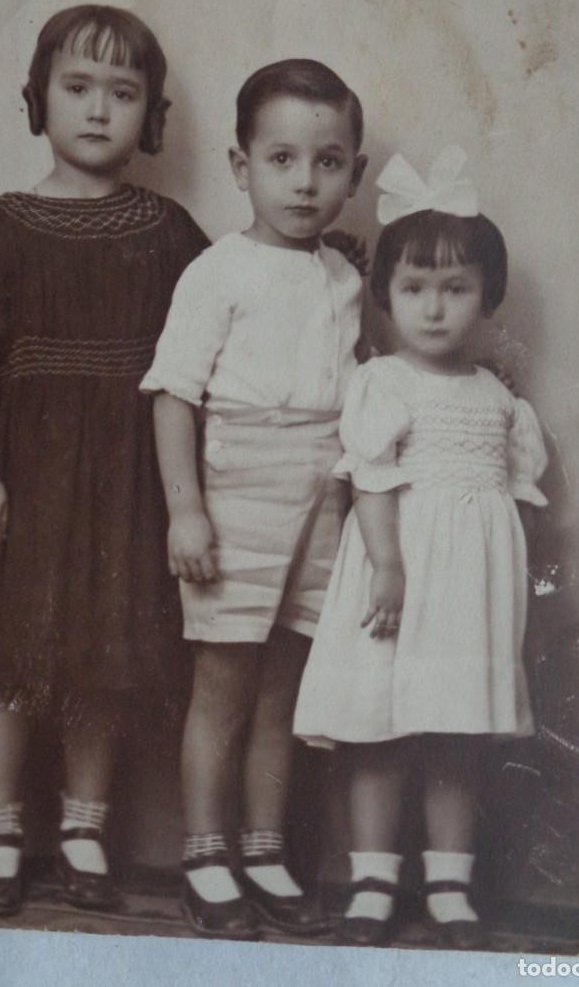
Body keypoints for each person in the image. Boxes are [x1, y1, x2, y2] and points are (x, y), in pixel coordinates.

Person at [0, 5, 208, 917]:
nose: (97, 110)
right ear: (38, 100)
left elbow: (210, 354)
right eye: (77, 87)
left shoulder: (171, 234)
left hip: (129, 485)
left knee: (104, 664)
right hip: (28, 482)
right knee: (13, 661)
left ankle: (85, 832)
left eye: (122, 93)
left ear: (151, 116)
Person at [294, 152, 548, 948]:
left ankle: (448, 886)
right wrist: (389, 567)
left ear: (487, 297)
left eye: (456, 288)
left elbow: (515, 502)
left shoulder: (499, 397)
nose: (434, 309)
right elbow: (370, 481)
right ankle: (372, 881)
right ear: (386, 295)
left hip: (467, 589)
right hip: (396, 576)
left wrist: (499, 589)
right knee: (378, 730)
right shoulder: (384, 384)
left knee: (454, 735)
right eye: (413, 288)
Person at [141, 59, 367, 939]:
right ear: (242, 168)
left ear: (352, 172)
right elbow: (174, 396)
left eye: (328, 161)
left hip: (323, 497)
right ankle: (207, 853)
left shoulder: (345, 279)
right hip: (236, 492)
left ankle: (265, 850)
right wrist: (186, 510)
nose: (305, 182)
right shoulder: (217, 271)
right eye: (281, 159)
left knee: (285, 688)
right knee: (224, 685)